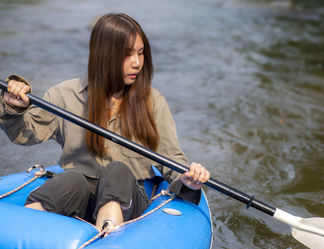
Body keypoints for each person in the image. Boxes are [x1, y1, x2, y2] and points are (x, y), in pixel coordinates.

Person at [0, 13, 210, 233]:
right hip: (79, 195)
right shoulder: (64, 95)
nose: (137, 63)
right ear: (104, 56)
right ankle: (13, 233)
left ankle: (106, 240)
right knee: (71, 179)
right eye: (128, 55)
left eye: (140, 53)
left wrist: (189, 180)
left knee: (116, 171)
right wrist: (14, 106)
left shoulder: (153, 102)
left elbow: (172, 163)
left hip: (127, 196)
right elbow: (25, 134)